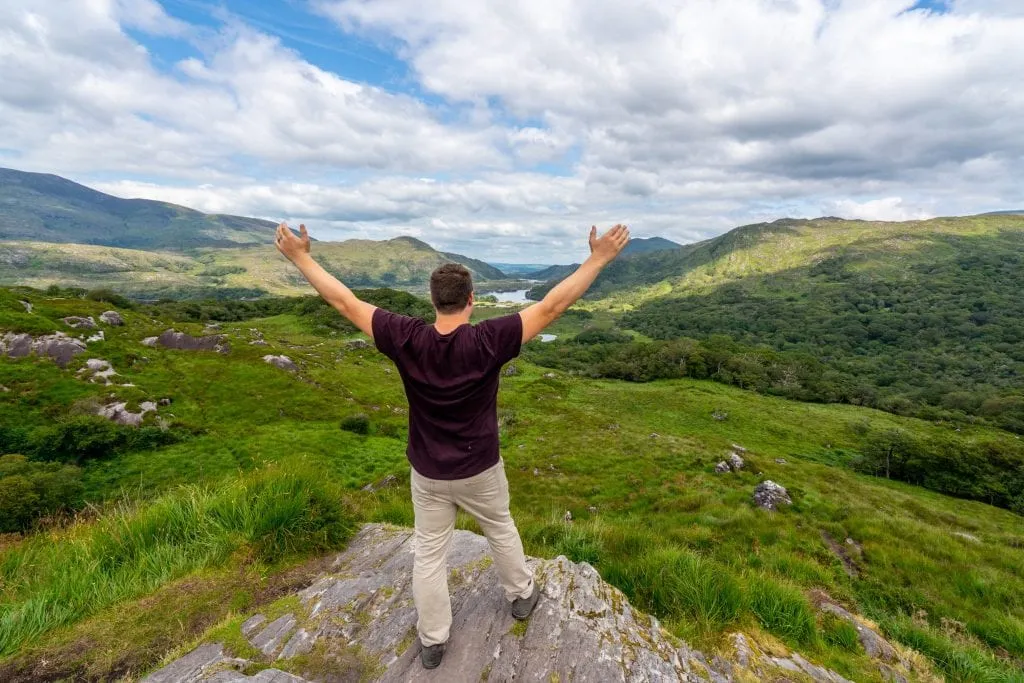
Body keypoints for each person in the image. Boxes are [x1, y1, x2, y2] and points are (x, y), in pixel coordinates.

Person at [275, 222, 630, 669]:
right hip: (479, 467)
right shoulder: (488, 340)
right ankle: (521, 596)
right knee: (500, 527)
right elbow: (553, 306)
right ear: (470, 300)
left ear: (432, 300)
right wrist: (598, 258)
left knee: (428, 551)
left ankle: (434, 639)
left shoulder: (407, 337)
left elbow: (342, 301)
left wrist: (301, 257)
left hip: (427, 472)